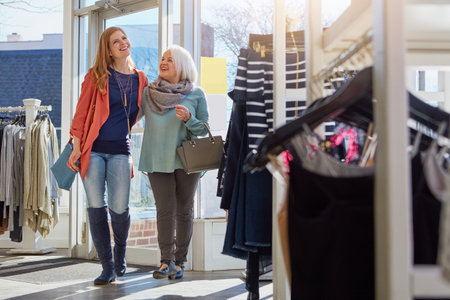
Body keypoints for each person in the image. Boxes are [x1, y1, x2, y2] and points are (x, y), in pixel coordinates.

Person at [67, 26, 148, 285]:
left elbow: (149, 108)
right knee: (95, 206)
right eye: (116, 41)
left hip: (120, 150)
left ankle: (120, 251)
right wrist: (77, 146)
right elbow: (80, 114)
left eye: (124, 38)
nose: (123, 42)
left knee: (120, 207)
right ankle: (107, 266)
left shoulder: (141, 79)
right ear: (109, 50)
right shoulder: (97, 76)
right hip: (94, 149)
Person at [139, 45, 209, 280]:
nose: (163, 61)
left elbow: (204, 130)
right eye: (162, 58)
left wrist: (189, 119)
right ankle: (164, 261)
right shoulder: (148, 94)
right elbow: (128, 117)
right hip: (156, 159)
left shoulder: (196, 94)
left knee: (184, 210)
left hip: (186, 160)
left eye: (170, 59)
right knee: (165, 211)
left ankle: (180, 261)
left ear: (182, 65)